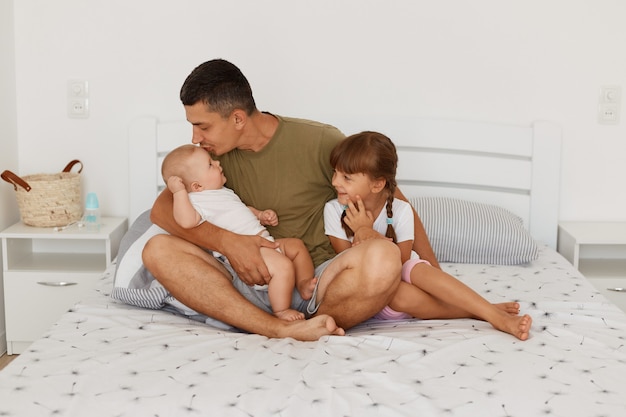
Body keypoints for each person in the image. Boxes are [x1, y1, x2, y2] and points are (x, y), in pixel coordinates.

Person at [142, 58, 437, 341]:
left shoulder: (318, 141)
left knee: (384, 258)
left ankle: (309, 319)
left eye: (203, 126)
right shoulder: (207, 159)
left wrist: (433, 275)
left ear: (237, 118)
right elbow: (161, 210)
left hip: (319, 286)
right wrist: (227, 243)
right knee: (157, 249)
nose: (194, 137)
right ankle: (277, 328)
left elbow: (390, 197)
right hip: (245, 281)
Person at [322, 131, 532, 341]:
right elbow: (349, 264)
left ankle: (495, 316)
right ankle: (483, 310)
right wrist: (361, 230)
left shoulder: (401, 210)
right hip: (377, 293)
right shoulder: (333, 211)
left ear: (377, 184)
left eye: (346, 177)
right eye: (335, 173)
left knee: (418, 268)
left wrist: (368, 230)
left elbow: (401, 261)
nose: (335, 182)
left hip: (405, 274)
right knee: (399, 295)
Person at [161, 144, 318, 321]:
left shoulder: (223, 192)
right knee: (283, 266)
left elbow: (240, 210)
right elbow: (186, 221)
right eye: (210, 165)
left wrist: (260, 215)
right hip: (251, 254)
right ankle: (281, 310)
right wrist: (179, 193)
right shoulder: (196, 201)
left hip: (264, 240)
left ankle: (304, 284)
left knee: (296, 245)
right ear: (197, 186)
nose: (218, 163)